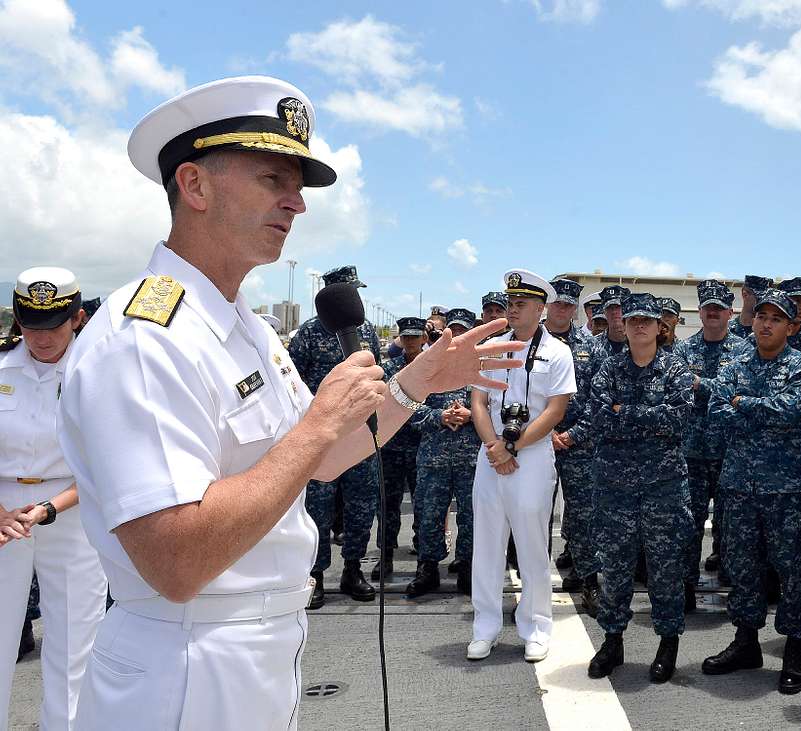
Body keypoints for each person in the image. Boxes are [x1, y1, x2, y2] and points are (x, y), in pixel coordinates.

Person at [56, 75, 525, 730]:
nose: (296, 203)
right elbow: (177, 558)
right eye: (273, 179)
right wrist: (314, 427)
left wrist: (412, 382)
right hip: (186, 670)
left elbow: (325, 459)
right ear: (194, 186)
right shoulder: (142, 339)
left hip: (259, 652)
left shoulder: (244, 325)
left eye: (297, 185)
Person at [0, 268, 108, 730]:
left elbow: (106, 464)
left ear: (77, 318)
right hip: (2, 513)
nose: (41, 339)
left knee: (72, 647)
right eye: (31, 327)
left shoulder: (97, 374)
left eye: (53, 327)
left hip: (72, 509)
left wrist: (48, 509)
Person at [703, 288, 801, 696]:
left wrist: (742, 404)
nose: (766, 323)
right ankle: (746, 641)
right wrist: (754, 405)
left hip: (788, 489)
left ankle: (793, 651)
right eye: (761, 316)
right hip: (739, 488)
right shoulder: (735, 367)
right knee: (743, 567)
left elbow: (791, 410)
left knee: (794, 572)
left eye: (776, 318)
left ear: (792, 326)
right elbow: (717, 415)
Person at [468, 269, 575, 663]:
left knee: (531, 544)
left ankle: (536, 626)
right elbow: (479, 403)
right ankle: (485, 626)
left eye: (521, 304)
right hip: (491, 452)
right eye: (510, 303)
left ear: (540, 309)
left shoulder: (558, 352)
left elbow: (555, 410)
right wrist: (494, 446)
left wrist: (512, 446)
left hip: (530, 455)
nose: (512, 310)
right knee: (487, 542)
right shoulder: (490, 347)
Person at [587, 293, 694, 683]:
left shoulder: (675, 370)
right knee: (614, 569)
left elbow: (680, 418)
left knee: (665, 569)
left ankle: (668, 643)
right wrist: (649, 418)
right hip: (615, 487)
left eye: (646, 321)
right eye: (632, 320)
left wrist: (625, 413)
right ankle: (612, 640)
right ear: (624, 325)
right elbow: (599, 418)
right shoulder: (608, 371)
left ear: (659, 326)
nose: (639, 326)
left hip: (663, 488)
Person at [289, 265, 382, 606]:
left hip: (360, 433)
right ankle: (315, 574)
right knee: (317, 509)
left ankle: (353, 569)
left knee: (360, 505)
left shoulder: (367, 331)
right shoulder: (308, 334)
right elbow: (293, 383)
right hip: (324, 435)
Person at [676, 280, 752, 606]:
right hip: (691, 452)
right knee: (687, 522)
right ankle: (684, 587)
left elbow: (738, 395)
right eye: (707, 308)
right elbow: (679, 390)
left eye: (718, 309)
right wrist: (715, 389)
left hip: (729, 452)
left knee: (732, 524)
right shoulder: (683, 350)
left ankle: (734, 587)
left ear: (729, 312)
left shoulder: (744, 351)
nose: (712, 313)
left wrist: (700, 384)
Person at [409, 309, 481, 596]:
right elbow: (409, 408)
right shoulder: (427, 366)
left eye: (464, 331)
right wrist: (440, 416)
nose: (458, 337)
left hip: (471, 459)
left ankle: (467, 566)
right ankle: (428, 568)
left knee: (472, 516)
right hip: (433, 459)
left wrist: (471, 414)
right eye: (454, 331)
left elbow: (498, 406)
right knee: (429, 514)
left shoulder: (484, 367)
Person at [546, 279, 599, 615]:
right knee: (533, 516)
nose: (563, 310)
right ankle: (532, 587)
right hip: (537, 442)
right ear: (547, 306)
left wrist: (574, 433)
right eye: (558, 304)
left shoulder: (591, 347)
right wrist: (546, 431)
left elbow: (601, 399)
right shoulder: (530, 343)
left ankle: (589, 579)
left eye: (569, 305)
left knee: (583, 515)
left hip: (579, 445)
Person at [380, 318, 426, 580]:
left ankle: (423, 556)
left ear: (423, 339)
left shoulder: (431, 368)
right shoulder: (389, 369)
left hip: (421, 447)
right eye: (406, 337)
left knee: (423, 505)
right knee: (387, 506)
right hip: (392, 447)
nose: (410, 342)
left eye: (415, 337)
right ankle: (385, 558)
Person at [591, 285, 631, 362]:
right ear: (604, 311)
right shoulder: (590, 345)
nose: (614, 311)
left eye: (618, 307)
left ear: (627, 309)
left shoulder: (639, 343)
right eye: (609, 307)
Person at [729, 275, 771, 339]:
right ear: (744, 294)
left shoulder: (768, 332)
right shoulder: (726, 329)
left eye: (767, 298)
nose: (764, 302)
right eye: (759, 297)